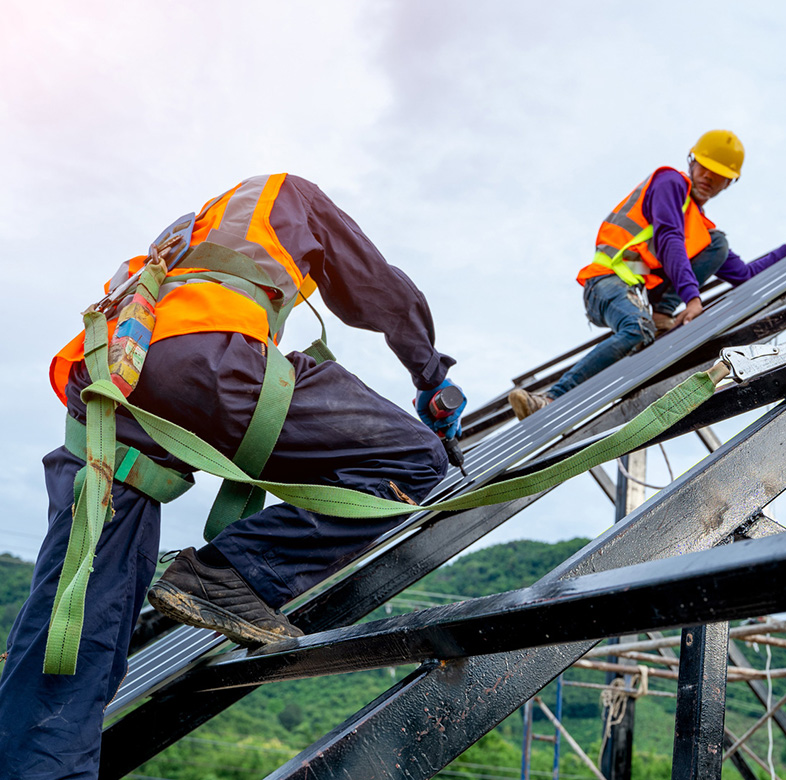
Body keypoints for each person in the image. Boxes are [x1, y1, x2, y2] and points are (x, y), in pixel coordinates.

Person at [0, 173, 465, 779]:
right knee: (410, 458)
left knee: (72, 627)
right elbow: (377, 290)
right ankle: (228, 574)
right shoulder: (282, 194)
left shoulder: (182, 239)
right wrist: (430, 375)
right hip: (205, 360)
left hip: (107, 393)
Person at [508, 130, 786, 420]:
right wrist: (691, 298)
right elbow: (669, 237)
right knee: (636, 329)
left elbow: (743, 274)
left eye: (720, 176)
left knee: (717, 244)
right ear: (692, 162)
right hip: (605, 281)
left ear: (730, 183)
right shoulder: (670, 183)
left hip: (636, 288)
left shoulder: (701, 230)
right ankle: (549, 399)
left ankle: (660, 314)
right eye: (704, 167)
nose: (708, 177)